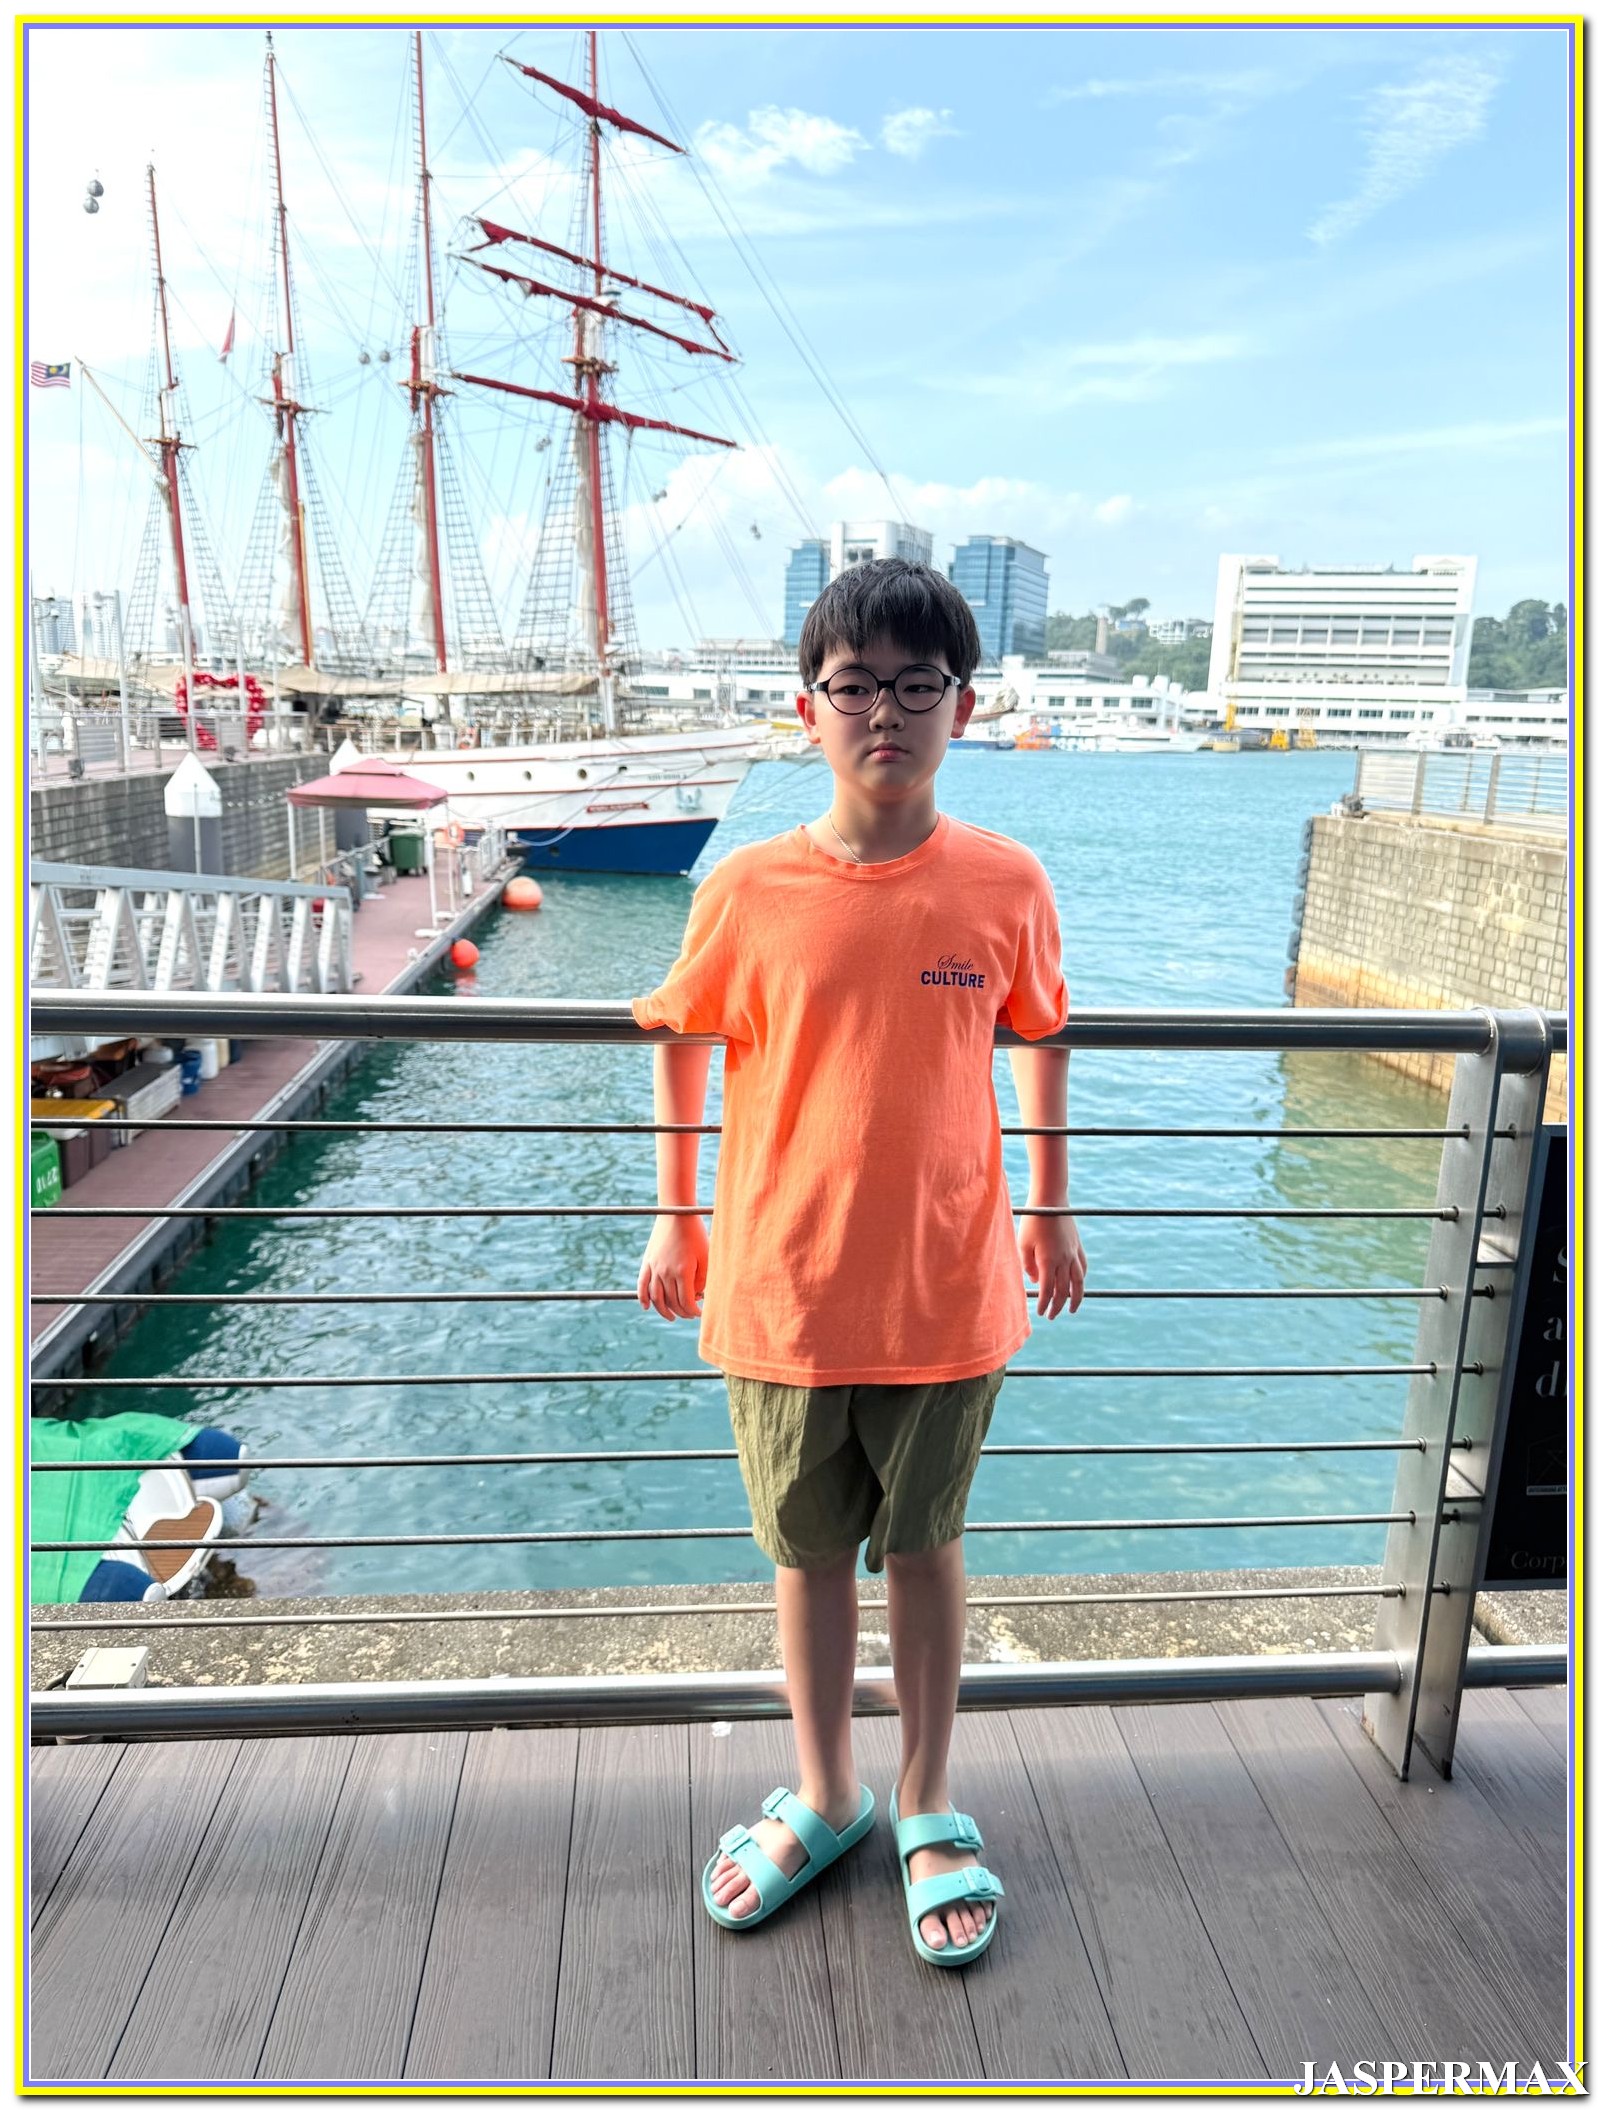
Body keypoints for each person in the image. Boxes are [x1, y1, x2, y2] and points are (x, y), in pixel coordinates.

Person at [633, 557, 1084, 1967]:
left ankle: (928, 1795)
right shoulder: (748, 885)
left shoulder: (1005, 881)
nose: (883, 711)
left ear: (963, 704)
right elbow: (683, 1042)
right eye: (852, 686)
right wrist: (677, 1214)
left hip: (948, 1282)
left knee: (928, 1545)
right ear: (807, 708)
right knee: (808, 1551)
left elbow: (1040, 1036)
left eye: (914, 684)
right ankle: (827, 1789)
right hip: (782, 1283)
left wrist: (1050, 1205)